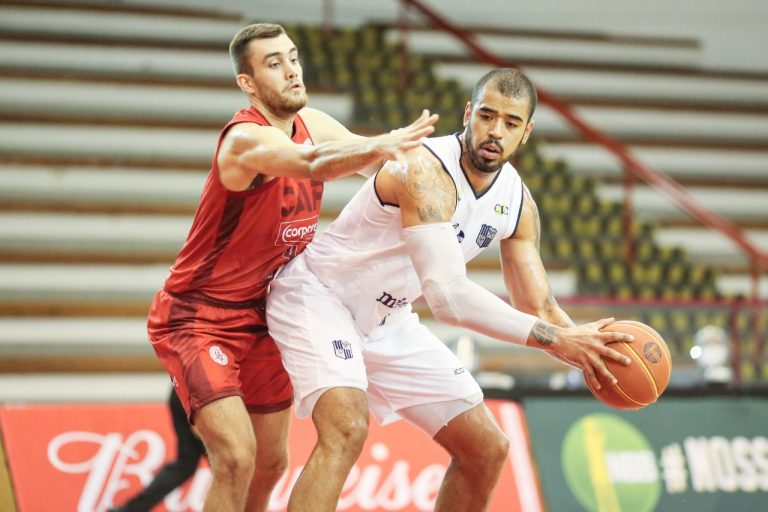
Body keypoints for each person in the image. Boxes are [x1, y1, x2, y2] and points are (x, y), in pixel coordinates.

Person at [266, 68, 634, 511]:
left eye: (511, 123)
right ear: (468, 113)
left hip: (388, 321)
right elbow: (447, 297)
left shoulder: (518, 203)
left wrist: (591, 353)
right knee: (346, 428)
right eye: (487, 116)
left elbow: (538, 306)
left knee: (486, 449)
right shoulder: (424, 169)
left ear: (527, 132)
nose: (495, 131)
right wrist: (559, 340)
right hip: (321, 296)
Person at [146, 23, 438, 512]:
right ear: (247, 83)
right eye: (274, 63)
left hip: (268, 312)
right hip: (200, 317)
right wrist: (383, 142)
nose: (291, 71)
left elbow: (381, 168)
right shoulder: (242, 140)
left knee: (271, 463)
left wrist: (447, 172)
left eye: (293, 57)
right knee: (236, 457)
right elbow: (313, 162)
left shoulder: (313, 122)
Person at [109, 389, 205, 512]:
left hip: (183, 392)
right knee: (223, 465)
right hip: (203, 396)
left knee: (186, 463)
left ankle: (129, 510)